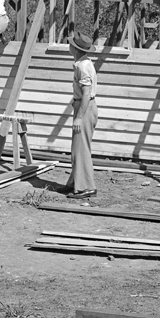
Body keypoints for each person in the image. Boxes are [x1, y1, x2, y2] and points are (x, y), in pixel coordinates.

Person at [63, 31, 98, 200]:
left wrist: (79, 117)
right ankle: (75, 182)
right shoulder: (83, 63)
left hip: (85, 108)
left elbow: (86, 93)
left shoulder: (83, 67)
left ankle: (87, 187)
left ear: (75, 49)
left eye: (71, 45)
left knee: (81, 148)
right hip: (83, 106)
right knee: (77, 148)